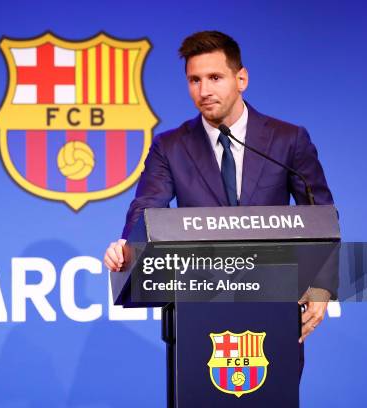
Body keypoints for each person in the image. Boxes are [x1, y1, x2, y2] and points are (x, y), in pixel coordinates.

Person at [103, 30, 334, 344]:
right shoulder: (170, 146)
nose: (204, 90)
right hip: (199, 303)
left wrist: (320, 287)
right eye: (194, 80)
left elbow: (320, 216)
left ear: (241, 79)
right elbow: (146, 208)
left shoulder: (287, 139)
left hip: (275, 300)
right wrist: (128, 248)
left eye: (215, 77)